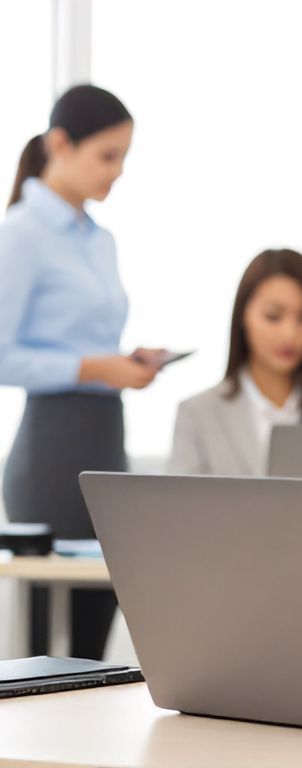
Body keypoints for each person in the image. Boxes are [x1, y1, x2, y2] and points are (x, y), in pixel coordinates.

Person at [0, 84, 165, 660]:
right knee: (48, 638)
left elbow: (92, 340)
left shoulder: (101, 240)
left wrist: (127, 362)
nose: (116, 172)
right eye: (107, 155)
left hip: (104, 436)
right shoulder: (20, 233)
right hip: (52, 449)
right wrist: (96, 367)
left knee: (100, 619)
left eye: (123, 157)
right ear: (60, 144)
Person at [168, 248, 302, 476]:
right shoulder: (198, 413)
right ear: (243, 316)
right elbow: (179, 509)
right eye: (273, 316)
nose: (290, 334)